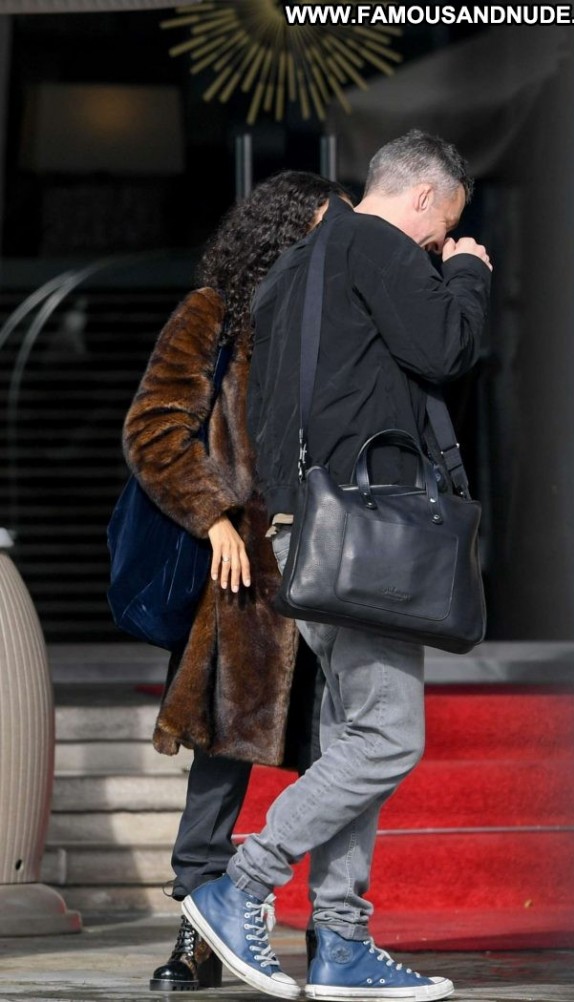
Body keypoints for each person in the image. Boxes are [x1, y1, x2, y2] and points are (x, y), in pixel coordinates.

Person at [181, 131, 493, 1001]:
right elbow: (447, 349)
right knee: (389, 737)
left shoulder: (292, 270)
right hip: (366, 535)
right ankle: (241, 883)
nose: (439, 243)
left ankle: (343, 942)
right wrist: (469, 275)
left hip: (305, 531)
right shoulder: (381, 246)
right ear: (424, 197)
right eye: (444, 225)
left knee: (355, 736)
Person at [122, 171, 351, 992]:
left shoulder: (342, 317)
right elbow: (154, 427)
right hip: (245, 576)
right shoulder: (214, 313)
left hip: (334, 562)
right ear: (285, 231)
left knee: (338, 755)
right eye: (329, 227)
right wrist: (213, 517)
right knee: (221, 758)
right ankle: (198, 932)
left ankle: (336, 934)